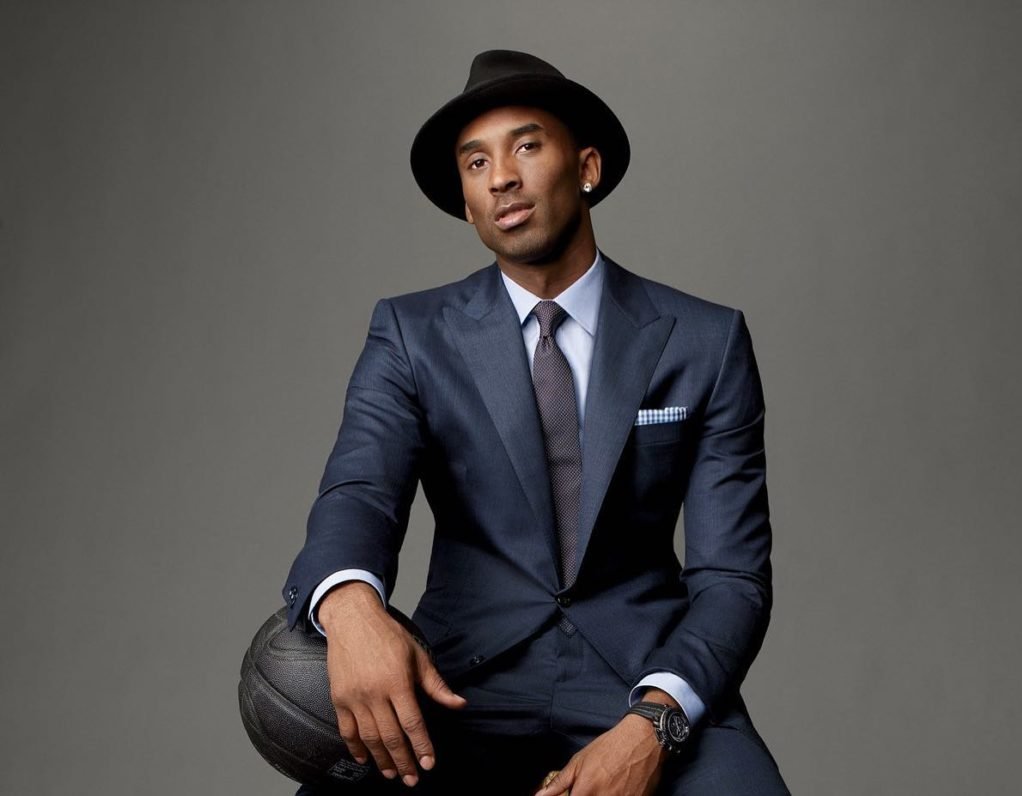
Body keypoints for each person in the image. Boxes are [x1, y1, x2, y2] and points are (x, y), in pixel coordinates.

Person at [282, 49, 790, 795]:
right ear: (466, 202)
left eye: (525, 146)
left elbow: (732, 578)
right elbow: (359, 492)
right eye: (476, 162)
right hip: (456, 682)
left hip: (642, 676)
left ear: (586, 168)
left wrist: (656, 723)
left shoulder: (704, 341)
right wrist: (352, 607)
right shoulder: (411, 335)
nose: (501, 178)